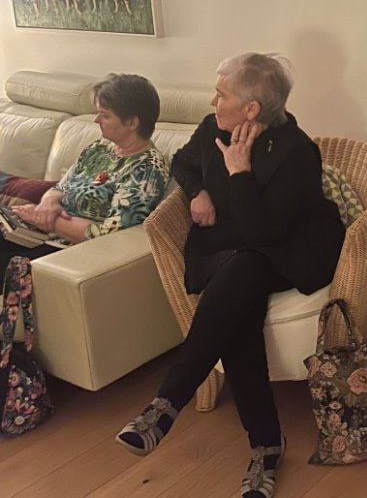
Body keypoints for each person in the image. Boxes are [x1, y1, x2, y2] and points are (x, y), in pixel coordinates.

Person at [115, 53, 345, 498]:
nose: (213, 101)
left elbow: (263, 234)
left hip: (284, 248)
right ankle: (265, 446)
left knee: (246, 268)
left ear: (252, 108)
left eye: (221, 94)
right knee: (240, 302)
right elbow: (181, 163)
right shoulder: (212, 127)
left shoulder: (297, 152)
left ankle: (169, 403)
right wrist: (198, 191)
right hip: (226, 246)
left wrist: (239, 172)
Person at [1, 73, 169, 269]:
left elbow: (110, 235)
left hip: (68, 251)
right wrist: (48, 203)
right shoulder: (99, 148)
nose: (96, 120)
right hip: (39, 235)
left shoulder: (146, 169)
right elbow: (61, 187)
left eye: (105, 115)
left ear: (132, 123)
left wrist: (49, 221)